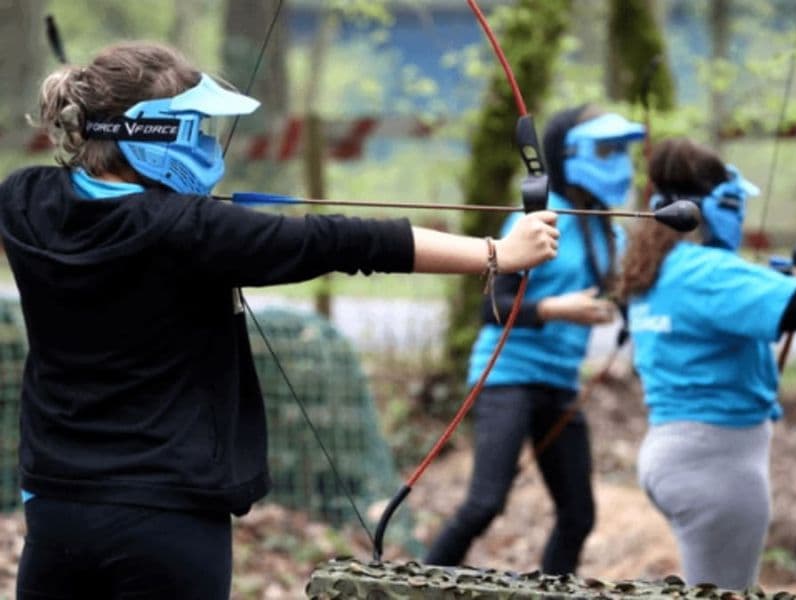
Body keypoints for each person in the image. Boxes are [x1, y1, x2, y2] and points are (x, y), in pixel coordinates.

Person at [3, 42, 560, 600]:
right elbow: (346, 241)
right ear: (151, 134)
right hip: (168, 521)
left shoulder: (24, 201)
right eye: (193, 128)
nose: (205, 141)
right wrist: (499, 254)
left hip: (57, 514)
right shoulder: (194, 230)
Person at [425, 104, 645, 574]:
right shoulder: (537, 217)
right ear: (569, 154)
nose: (619, 163)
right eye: (606, 150)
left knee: (578, 515)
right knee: (485, 503)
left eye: (622, 151)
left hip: (561, 382)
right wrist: (553, 309)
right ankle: (414, 582)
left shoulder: (611, 231)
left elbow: (628, 298)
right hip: (508, 374)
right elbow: (492, 308)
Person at [615, 137, 796, 590]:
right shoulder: (707, 273)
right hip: (716, 469)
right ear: (718, 206)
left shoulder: (659, 265)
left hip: (676, 454)